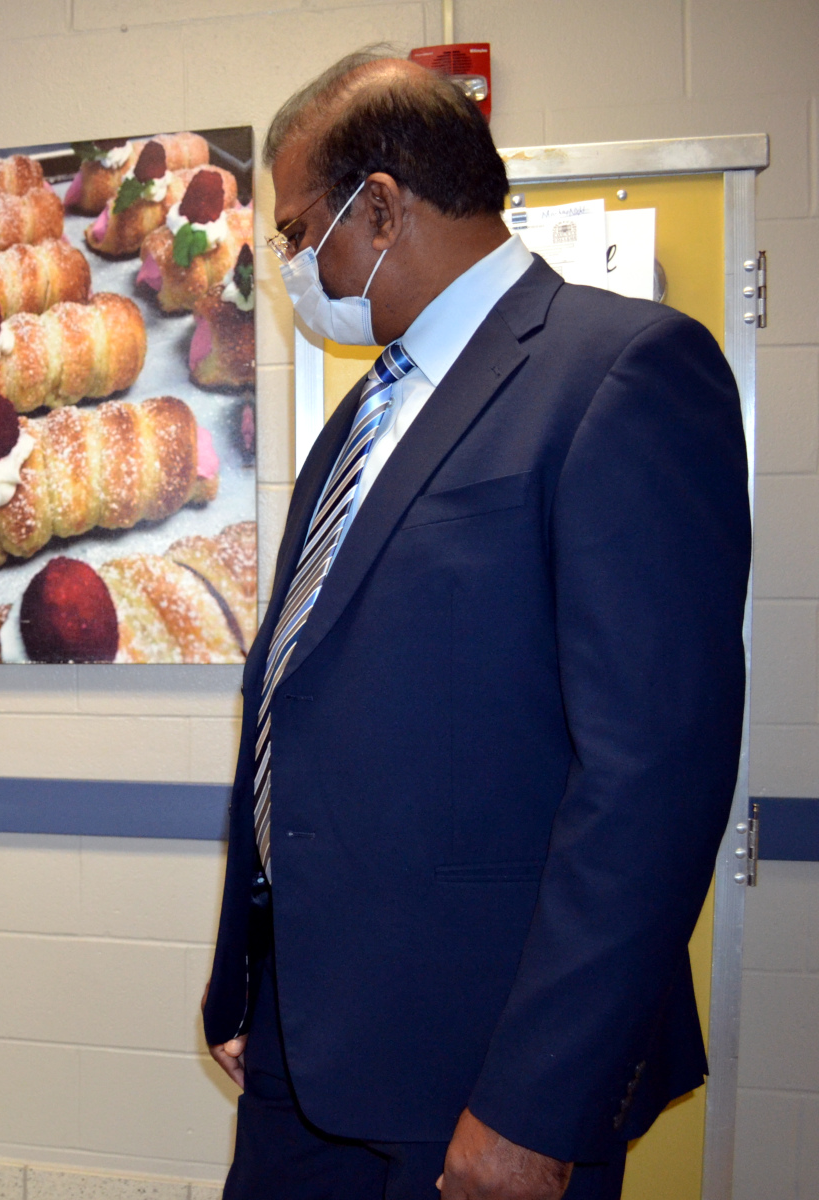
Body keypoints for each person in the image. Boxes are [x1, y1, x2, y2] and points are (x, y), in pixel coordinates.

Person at [200, 52, 750, 1200]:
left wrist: (534, 1110)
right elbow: (300, 699)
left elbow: (651, 779)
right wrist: (250, 982)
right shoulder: (364, 413)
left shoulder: (620, 376)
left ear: (385, 207)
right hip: (308, 1056)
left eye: (303, 233)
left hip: (475, 1079)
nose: (294, 268)